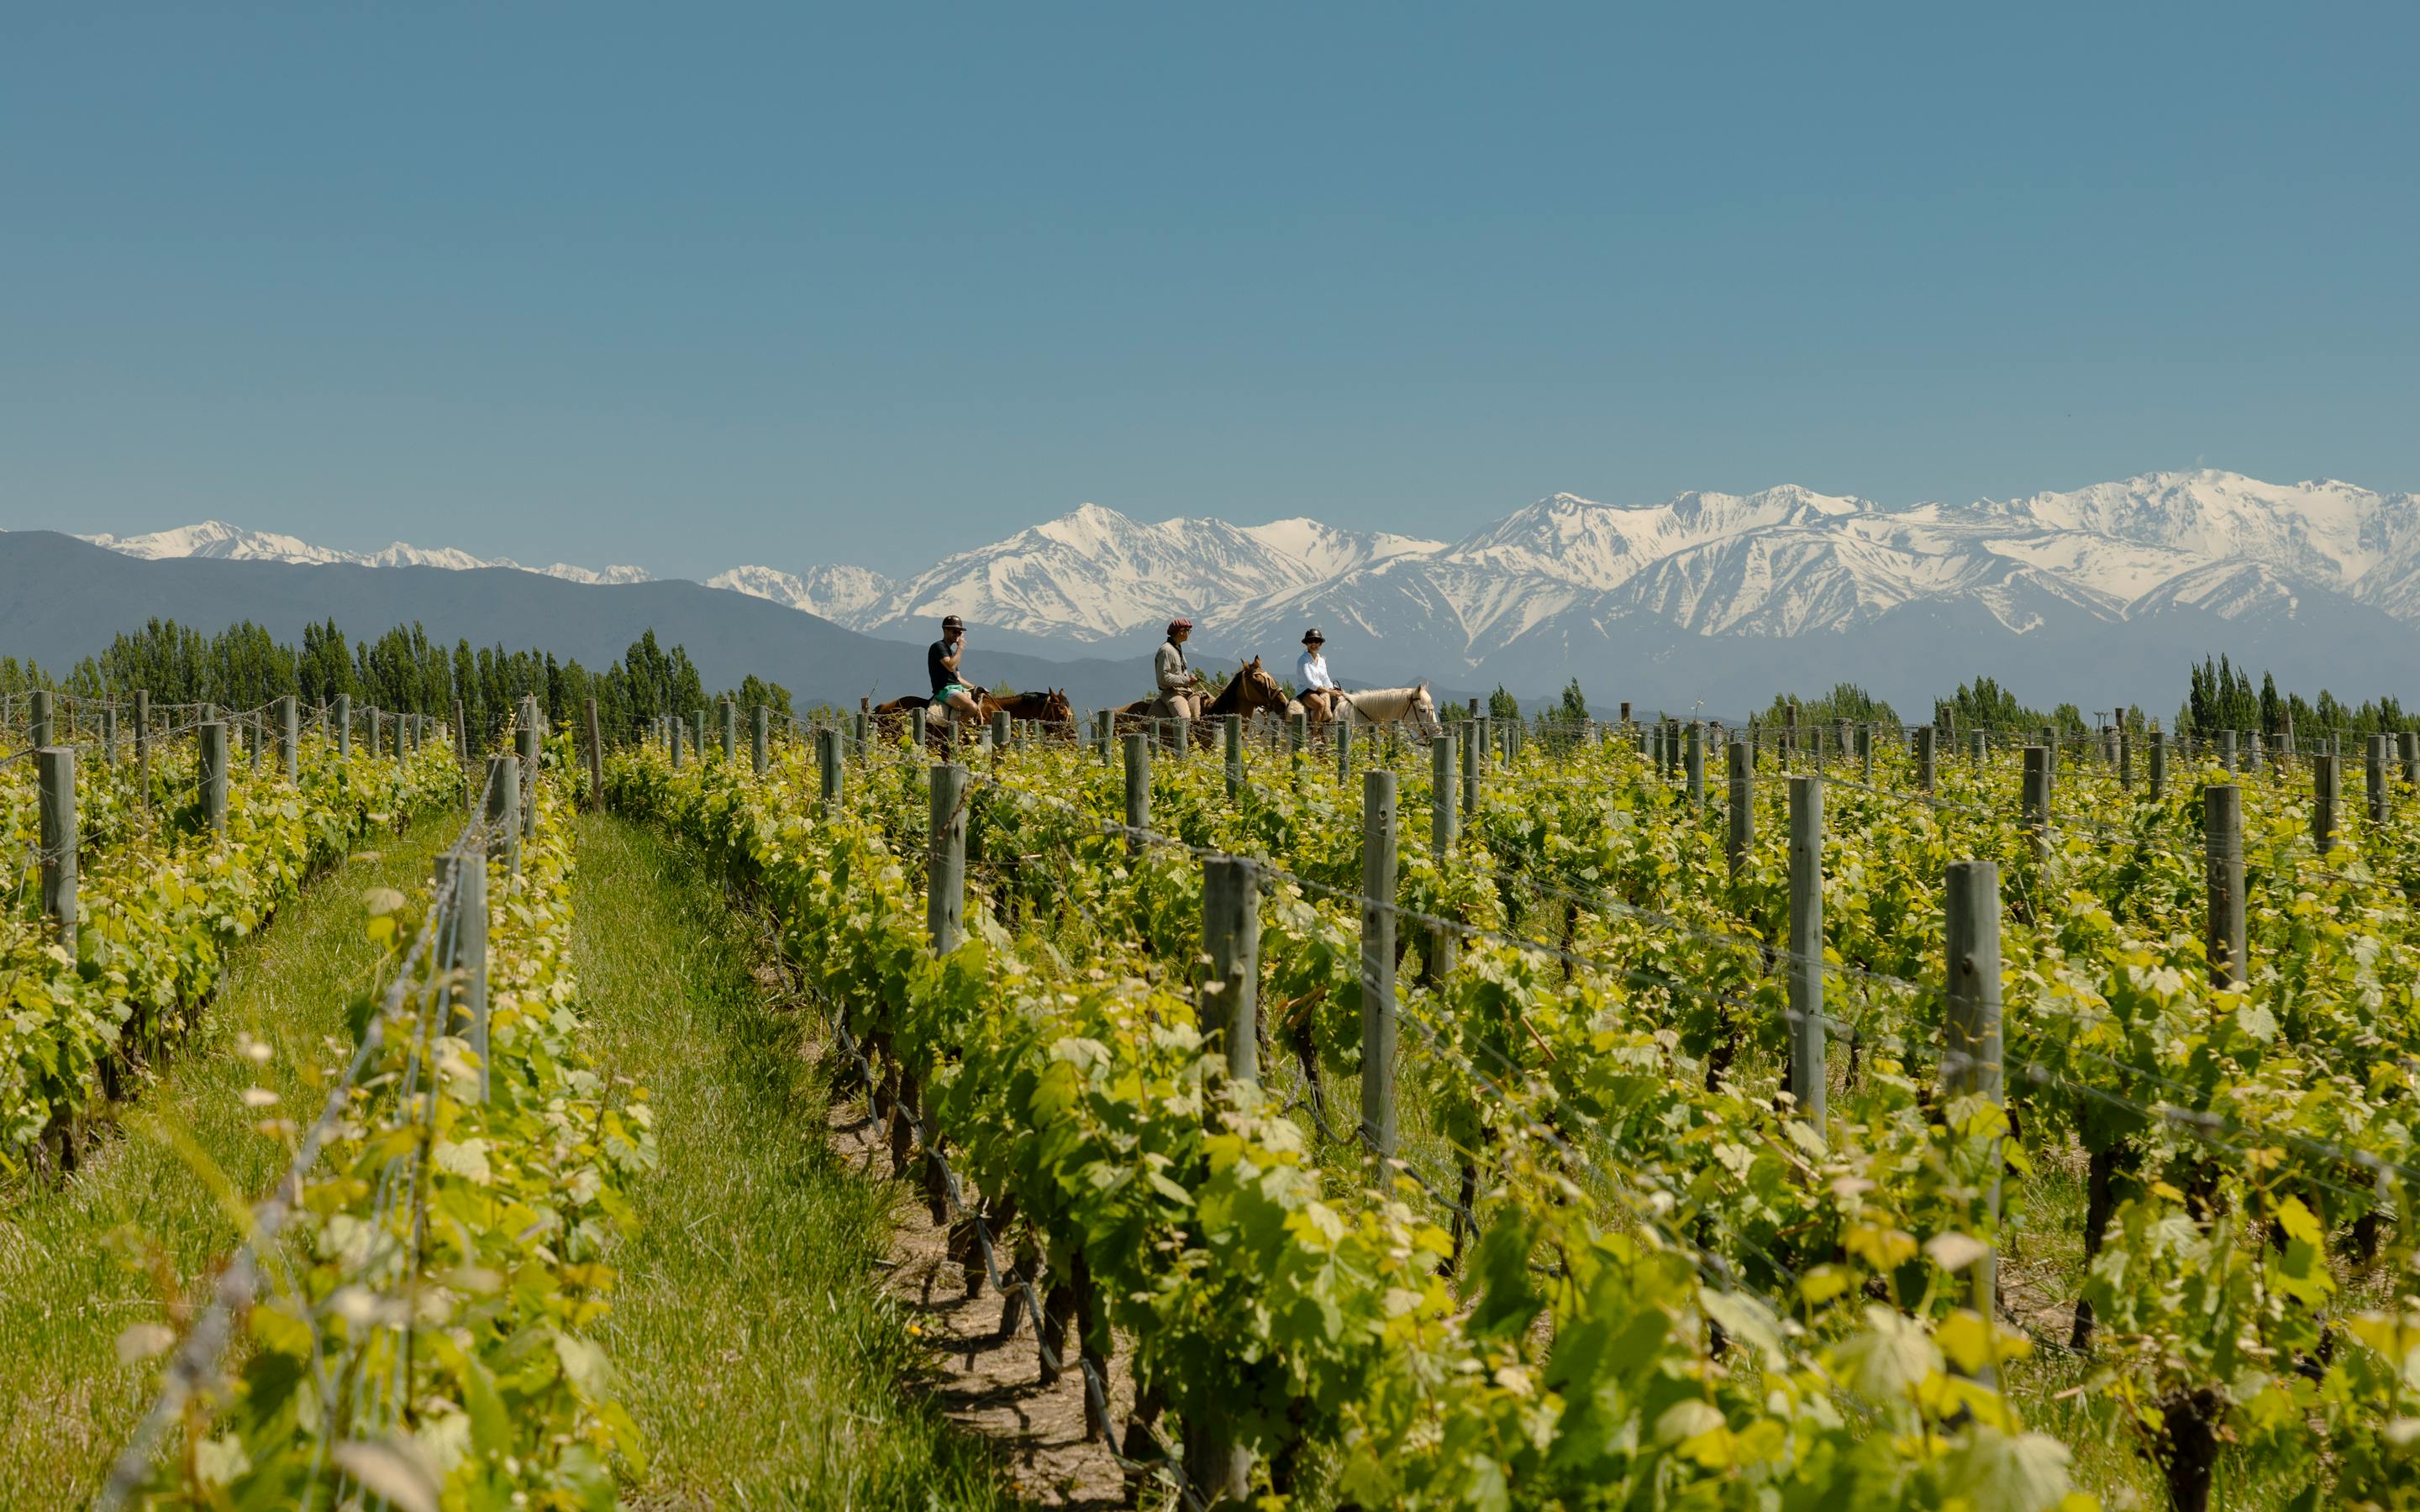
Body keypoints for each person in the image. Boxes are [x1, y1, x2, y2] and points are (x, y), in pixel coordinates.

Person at [927, 615, 984, 722]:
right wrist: (960, 647)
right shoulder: (938, 646)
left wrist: (977, 688)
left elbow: (959, 678)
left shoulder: (952, 653)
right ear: (945, 630)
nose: (957, 635)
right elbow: (950, 666)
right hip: (944, 690)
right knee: (972, 708)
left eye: (960, 632)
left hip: (957, 687)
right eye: (955, 631)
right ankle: (954, 734)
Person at [1151, 618, 1202, 719]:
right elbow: (1163, 677)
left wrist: (1189, 677)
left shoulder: (1177, 648)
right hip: (1172, 693)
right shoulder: (1166, 650)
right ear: (1181, 632)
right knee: (1184, 718)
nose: (1189, 633)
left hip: (1184, 690)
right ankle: (1183, 735)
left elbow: (1180, 672)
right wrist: (1187, 680)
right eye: (1188, 631)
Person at [1295, 627, 1345, 721]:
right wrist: (1329, 692)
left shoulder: (1322, 660)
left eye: (1317, 641)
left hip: (1320, 690)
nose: (1314, 644)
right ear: (1307, 643)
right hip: (1306, 692)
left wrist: (1335, 690)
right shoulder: (1303, 660)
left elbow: (1325, 679)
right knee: (1320, 704)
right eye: (1310, 641)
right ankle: (1316, 734)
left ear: (1320, 644)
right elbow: (1309, 683)